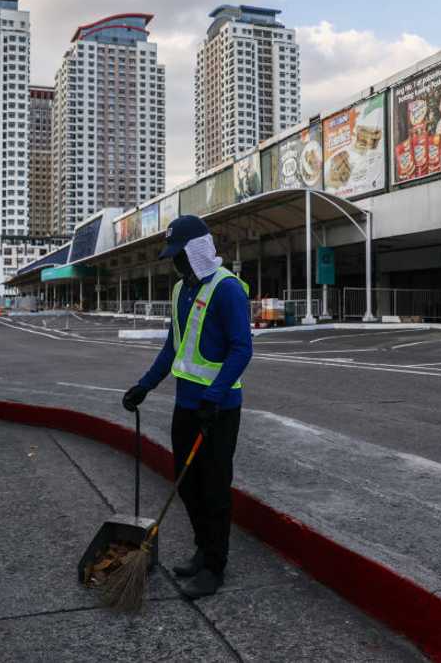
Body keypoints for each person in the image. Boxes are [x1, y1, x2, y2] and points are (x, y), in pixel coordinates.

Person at [121, 215, 253, 599]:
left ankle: (215, 565)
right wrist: (144, 386)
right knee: (187, 484)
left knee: (214, 489)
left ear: (196, 251)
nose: (174, 263)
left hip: (220, 409)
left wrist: (214, 395)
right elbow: (172, 348)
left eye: (179, 256)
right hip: (187, 405)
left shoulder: (227, 289)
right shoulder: (182, 290)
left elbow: (242, 349)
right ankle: (202, 548)